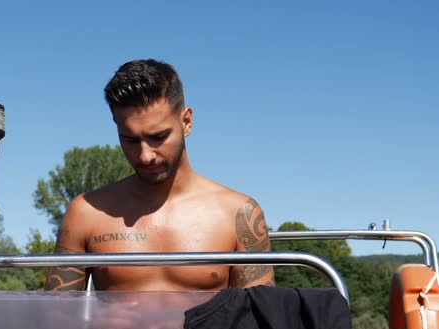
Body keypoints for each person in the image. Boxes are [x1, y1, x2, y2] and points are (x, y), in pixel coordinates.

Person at [45, 59, 274, 292]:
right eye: (130, 140)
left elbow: (259, 319)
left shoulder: (239, 213)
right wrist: (101, 321)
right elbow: (56, 319)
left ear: (186, 122)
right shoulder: (86, 212)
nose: (145, 156)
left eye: (158, 137)